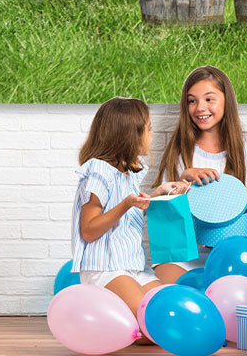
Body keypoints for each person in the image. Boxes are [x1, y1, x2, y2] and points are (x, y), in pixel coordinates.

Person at [71, 96, 189, 338]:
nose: (152, 134)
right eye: (149, 128)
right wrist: (126, 204)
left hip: (134, 267)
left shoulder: (128, 172)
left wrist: (158, 194)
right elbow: (89, 230)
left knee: (172, 315)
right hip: (106, 268)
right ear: (129, 135)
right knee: (153, 328)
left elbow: (130, 210)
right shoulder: (99, 172)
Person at [153, 65, 247, 282]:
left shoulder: (246, 149)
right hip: (182, 253)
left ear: (226, 101)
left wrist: (223, 243)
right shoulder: (180, 150)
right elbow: (166, 216)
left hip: (229, 251)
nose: (199, 108)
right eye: (192, 100)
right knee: (170, 292)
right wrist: (182, 184)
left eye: (209, 99)